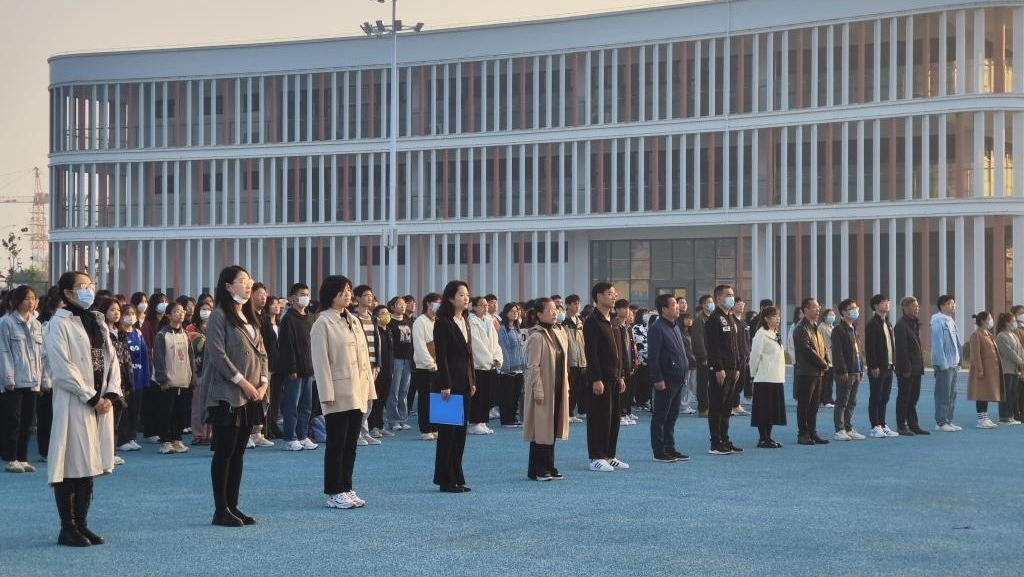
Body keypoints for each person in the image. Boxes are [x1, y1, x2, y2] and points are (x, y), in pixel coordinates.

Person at [45, 271, 124, 546]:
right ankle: (67, 527)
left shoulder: (97, 320)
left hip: (101, 402)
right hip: (75, 402)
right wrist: (91, 397)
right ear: (67, 293)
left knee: (90, 464)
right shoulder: (58, 324)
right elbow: (62, 368)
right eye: (82, 286)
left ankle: (82, 523)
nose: (88, 290)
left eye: (91, 285)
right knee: (70, 464)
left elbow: (112, 360)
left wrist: (111, 394)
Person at [202, 265, 268, 527]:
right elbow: (218, 355)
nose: (248, 284)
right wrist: (243, 383)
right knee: (225, 452)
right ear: (228, 286)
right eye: (242, 281)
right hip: (228, 393)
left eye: (249, 280)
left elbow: (262, 353)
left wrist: (263, 383)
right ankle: (221, 509)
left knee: (239, 452)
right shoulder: (219, 315)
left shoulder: (249, 315)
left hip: (251, 394)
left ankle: (233, 504)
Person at [311, 275, 376, 509]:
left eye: (349, 289)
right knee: (336, 445)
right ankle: (334, 491)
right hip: (337, 393)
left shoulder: (354, 320)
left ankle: (347, 486)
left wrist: (369, 388)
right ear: (331, 294)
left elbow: (364, 359)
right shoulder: (322, 323)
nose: (347, 294)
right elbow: (321, 363)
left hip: (357, 391)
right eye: (342, 291)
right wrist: (326, 394)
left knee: (351, 444)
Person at [432, 281, 476, 493]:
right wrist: (445, 384)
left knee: (460, 434)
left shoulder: (465, 320)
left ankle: (457, 477)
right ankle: (445, 480)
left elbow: (469, 355)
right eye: (461, 295)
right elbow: (441, 356)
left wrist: (472, 380)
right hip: (447, 386)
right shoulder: (443, 322)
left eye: (467, 294)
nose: (466, 298)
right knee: (447, 435)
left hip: (465, 383)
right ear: (450, 298)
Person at [523, 298, 570, 480]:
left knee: (551, 427)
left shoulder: (558, 332)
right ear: (539, 314)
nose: (554, 312)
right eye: (550, 310)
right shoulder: (537, 336)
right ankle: (539, 468)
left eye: (555, 309)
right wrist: (538, 389)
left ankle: (548, 465)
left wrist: (566, 386)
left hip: (557, 387)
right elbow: (533, 366)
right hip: (544, 388)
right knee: (541, 428)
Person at [584, 282, 628, 472]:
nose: (613, 296)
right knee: (599, 418)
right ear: (599, 297)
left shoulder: (614, 322)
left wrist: (621, 375)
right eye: (609, 293)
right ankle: (596, 457)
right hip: (600, 378)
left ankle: (610, 455)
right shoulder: (592, 321)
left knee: (613, 418)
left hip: (614, 377)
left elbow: (619, 352)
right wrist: (596, 378)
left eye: (614, 293)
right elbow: (591, 352)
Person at [0, 286, 43, 473]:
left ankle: (23, 458)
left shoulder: (37, 324)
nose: (31, 302)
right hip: (14, 380)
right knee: (13, 421)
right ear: (16, 301)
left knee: (27, 422)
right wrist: (8, 378)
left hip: (32, 380)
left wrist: (43, 378)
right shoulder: (6, 323)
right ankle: (11, 459)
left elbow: (41, 354)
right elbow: (3, 352)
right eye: (26, 299)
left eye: (33, 298)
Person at [646, 294, 690, 462]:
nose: (677, 307)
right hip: (665, 379)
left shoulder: (675, 326)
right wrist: (657, 378)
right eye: (673, 305)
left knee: (672, 417)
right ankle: (659, 451)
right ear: (664, 309)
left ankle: (670, 447)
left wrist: (683, 374)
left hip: (678, 378)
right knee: (660, 417)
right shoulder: (657, 328)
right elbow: (653, 356)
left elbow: (680, 352)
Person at [277, 283, 318, 452]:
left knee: (306, 406)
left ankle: (303, 436)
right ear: (292, 298)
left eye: (307, 294)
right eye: (302, 294)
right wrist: (291, 368)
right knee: (291, 405)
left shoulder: (310, 318)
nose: (305, 298)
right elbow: (286, 346)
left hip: (309, 369)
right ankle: (290, 438)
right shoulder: (288, 319)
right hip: (294, 370)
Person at [704, 284, 743, 454]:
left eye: (732, 295)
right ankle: (715, 442)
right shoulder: (714, 319)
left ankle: (725, 439)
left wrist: (737, 367)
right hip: (720, 370)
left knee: (727, 407)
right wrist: (718, 368)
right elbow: (713, 347)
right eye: (728, 295)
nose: (731, 298)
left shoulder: (731, 318)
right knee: (717, 406)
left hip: (732, 369)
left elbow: (734, 346)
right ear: (718, 298)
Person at [152, 302, 195, 455]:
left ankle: (177, 439)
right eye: (176, 311)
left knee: (180, 412)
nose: (181, 314)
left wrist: (192, 376)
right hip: (168, 382)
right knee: (166, 412)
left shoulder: (185, 334)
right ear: (168, 315)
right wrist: (162, 378)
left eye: (182, 311)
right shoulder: (162, 335)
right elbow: (158, 358)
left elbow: (190, 357)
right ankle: (165, 441)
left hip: (183, 380)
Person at [792, 297, 830, 446]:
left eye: (818, 307)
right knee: (804, 405)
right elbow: (806, 349)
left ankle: (812, 432)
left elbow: (822, 347)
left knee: (814, 405)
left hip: (817, 372)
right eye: (814, 307)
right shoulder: (801, 328)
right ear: (805, 310)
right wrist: (822, 362)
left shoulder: (815, 327)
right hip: (806, 372)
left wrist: (826, 360)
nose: (818, 310)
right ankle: (803, 434)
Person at [748, 306, 786, 448]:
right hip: (764, 378)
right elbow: (754, 356)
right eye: (774, 316)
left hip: (776, 377)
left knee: (772, 411)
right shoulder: (761, 334)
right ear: (766, 319)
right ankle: (763, 438)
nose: (778, 319)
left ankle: (768, 437)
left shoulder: (775, 333)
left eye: (778, 316)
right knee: (764, 410)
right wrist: (753, 375)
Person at [893, 297, 929, 436]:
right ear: (905, 308)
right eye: (914, 306)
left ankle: (913, 425)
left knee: (913, 398)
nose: (917, 308)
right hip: (906, 369)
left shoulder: (914, 324)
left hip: (916, 368)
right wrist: (906, 368)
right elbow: (902, 349)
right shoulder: (901, 325)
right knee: (904, 398)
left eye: (917, 306)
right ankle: (901, 425)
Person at [831, 299, 866, 441]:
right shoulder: (838, 330)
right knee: (842, 401)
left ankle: (848, 427)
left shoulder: (853, 328)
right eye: (852, 308)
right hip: (845, 372)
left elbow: (858, 351)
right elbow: (837, 353)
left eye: (856, 308)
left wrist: (861, 368)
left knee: (852, 401)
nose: (855, 310)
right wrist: (842, 370)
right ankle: (840, 430)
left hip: (856, 371)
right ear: (844, 312)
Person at [116, 303, 150, 451]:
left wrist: (145, 377)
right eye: (127, 314)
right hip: (124, 379)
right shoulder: (118, 334)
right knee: (124, 410)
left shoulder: (138, 333)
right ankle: (122, 439)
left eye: (133, 314)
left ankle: (131, 436)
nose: (130, 317)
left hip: (138, 376)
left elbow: (144, 357)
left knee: (135, 410)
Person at [865, 294, 899, 438]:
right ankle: (875, 426)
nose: (887, 304)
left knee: (885, 397)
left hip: (888, 366)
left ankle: (883, 424)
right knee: (876, 397)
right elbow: (870, 347)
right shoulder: (872, 324)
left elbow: (891, 345)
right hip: (878, 367)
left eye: (887, 302)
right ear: (876, 306)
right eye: (883, 302)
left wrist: (894, 363)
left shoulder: (888, 323)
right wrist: (873, 366)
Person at [468, 296, 503, 434]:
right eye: (482, 305)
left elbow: (495, 343)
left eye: (486, 305)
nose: (485, 307)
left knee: (487, 396)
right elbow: (476, 345)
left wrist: (497, 358)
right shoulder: (471, 322)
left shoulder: (489, 321)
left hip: (490, 365)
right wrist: (489, 360)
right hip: (478, 365)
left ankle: (482, 421)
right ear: (474, 307)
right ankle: (474, 423)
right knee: (478, 396)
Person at [930, 295, 963, 431]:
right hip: (945, 364)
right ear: (942, 306)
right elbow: (937, 344)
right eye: (949, 303)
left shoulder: (950, 321)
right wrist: (942, 363)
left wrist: (959, 361)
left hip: (953, 363)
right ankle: (941, 422)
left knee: (952, 394)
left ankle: (949, 420)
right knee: (943, 394)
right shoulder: (938, 321)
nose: (953, 306)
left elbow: (956, 342)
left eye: (953, 303)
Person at [412, 293, 441, 441]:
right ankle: (425, 429)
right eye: (436, 302)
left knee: (438, 398)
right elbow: (420, 345)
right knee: (425, 399)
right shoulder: (420, 321)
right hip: (425, 367)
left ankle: (436, 427)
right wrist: (430, 363)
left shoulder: (439, 321)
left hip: (439, 366)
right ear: (428, 304)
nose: (439, 306)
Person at [967, 312, 1001, 429]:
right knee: (981, 394)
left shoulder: (988, 334)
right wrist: (979, 369)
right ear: (982, 321)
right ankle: (981, 419)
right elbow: (975, 354)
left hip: (990, 371)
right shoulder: (976, 335)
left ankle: (985, 417)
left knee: (986, 394)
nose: (991, 320)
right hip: (983, 370)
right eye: (989, 318)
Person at [383, 296, 412, 435]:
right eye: (399, 304)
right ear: (392, 307)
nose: (402, 306)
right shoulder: (390, 322)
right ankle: (393, 420)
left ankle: (402, 419)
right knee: (393, 391)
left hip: (408, 359)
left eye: (403, 304)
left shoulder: (408, 321)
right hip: (396, 359)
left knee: (404, 391)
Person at [497, 302, 526, 427]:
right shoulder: (503, 329)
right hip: (507, 369)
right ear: (506, 313)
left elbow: (521, 348)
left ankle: (513, 418)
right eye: (512, 311)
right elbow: (503, 348)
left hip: (518, 367)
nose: (515, 313)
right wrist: (506, 366)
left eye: (517, 311)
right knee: (506, 396)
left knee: (515, 395)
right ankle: (506, 419)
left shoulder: (517, 328)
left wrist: (524, 364)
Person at [367, 304, 393, 441]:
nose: (386, 315)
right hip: (378, 369)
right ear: (376, 316)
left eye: (387, 313)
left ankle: (380, 425)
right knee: (375, 399)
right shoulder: (375, 331)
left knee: (383, 398)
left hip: (389, 369)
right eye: (383, 313)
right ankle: (372, 427)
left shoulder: (388, 331)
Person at [995, 312, 1024, 425]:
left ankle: (1011, 415)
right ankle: (1004, 416)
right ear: (1006, 323)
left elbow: (1020, 349)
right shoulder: (1001, 336)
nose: (1015, 323)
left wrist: (1022, 361)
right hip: (1006, 369)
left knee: (1013, 394)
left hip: (1015, 369)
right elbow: (1009, 352)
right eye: (1013, 321)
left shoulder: (1014, 335)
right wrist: (1020, 362)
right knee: (1006, 393)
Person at [562, 295, 587, 422]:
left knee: (577, 388)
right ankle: (566, 413)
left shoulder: (580, 320)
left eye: (578, 303)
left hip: (580, 360)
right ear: (567, 305)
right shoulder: (563, 321)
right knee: (568, 388)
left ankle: (572, 412)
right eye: (574, 303)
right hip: (570, 360)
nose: (577, 306)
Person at [691, 294, 713, 417]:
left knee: (712, 384)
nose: (711, 304)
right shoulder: (700, 320)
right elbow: (698, 340)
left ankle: (711, 406)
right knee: (703, 383)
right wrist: (703, 357)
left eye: (712, 301)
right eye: (709, 302)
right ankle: (703, 408)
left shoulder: (713, 318)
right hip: (704, 357)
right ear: (703, 305)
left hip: (713, 356)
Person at [817, 309, 836, 408]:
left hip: (832, 356)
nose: (832, 316)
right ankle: (824, 399)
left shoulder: (831, 327)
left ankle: (829, 397)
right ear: (824, 317)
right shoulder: (821, 328)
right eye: (830, 314)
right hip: (825, 355)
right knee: (826, 380)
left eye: (833, 314)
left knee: (830, 380)